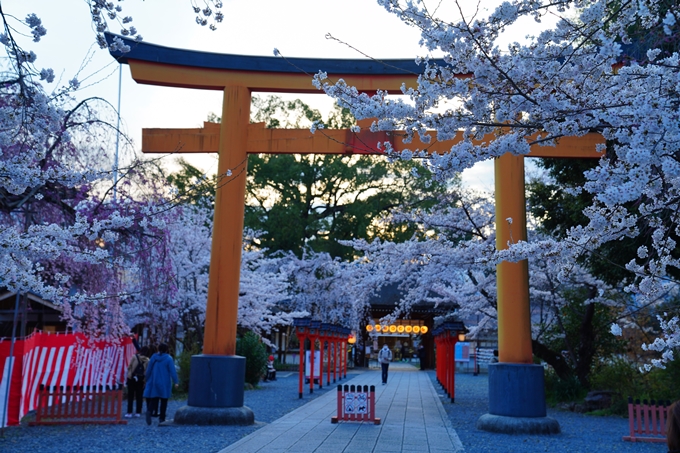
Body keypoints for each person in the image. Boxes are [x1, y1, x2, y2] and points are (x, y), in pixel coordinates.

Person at [143, 343, 179, 425]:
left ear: (158, 349)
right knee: (164, 400)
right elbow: (172, 372)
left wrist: (147, 379)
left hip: (154, 381)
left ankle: (149, 411)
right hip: (165, 382)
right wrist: (176, 382)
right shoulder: (169, 359)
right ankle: (162, 418)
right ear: (167, 349)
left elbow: (148, 370)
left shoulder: (154, 357)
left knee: (154, 398)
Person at [125, 346, 150, 418]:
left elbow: (129, 366)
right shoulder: (147, 360)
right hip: (140, 379)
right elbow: (146, 371)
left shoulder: (134, 357)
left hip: (132, 378)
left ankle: (129, 412)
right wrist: (144, 380)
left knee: (130, 395)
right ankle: (138, 412)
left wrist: (129, 375)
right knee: (139, 396)